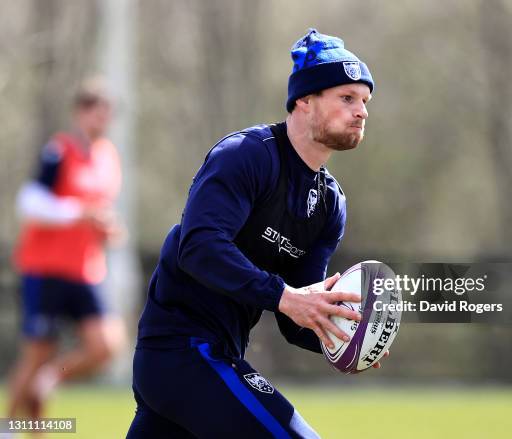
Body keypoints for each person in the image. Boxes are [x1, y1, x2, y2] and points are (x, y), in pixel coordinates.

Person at [127, 29, 386, 439]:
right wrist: (284, 296)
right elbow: (199, 247)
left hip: (215, 358)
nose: (362, 112)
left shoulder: (330, 205)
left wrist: (347, 336)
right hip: (180, 353)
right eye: (347, 98)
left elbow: (299, 315)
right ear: (305, 99)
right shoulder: (246, 156)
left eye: (365, 102)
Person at [8, 77, 127, 421]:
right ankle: (11, 428)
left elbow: (100, 211)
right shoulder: (59, 150)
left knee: (107, 345)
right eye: (94, 111)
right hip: (45, 268)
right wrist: (79, 212)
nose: (101, 120)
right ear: (79, 113)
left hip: (86, 269)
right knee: (36, 354)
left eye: (106, 113)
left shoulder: (108, 159)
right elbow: (29, 203)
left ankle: (50, 379)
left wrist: (109, 229)